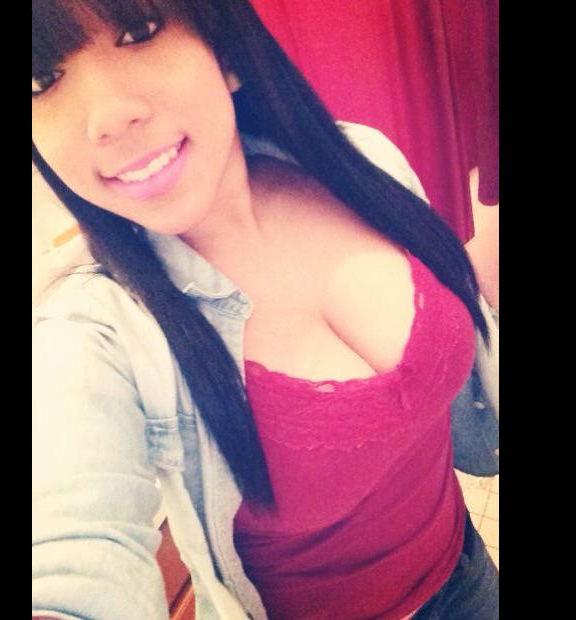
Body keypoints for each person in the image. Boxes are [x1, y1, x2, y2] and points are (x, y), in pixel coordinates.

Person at [32, 1, 499, 618]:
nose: (108, 119)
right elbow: (70, 558)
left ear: (224, 48)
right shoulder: (91, 335)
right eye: (41, 80)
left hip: (469, 572)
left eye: (139, 33)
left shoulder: (362, 162)